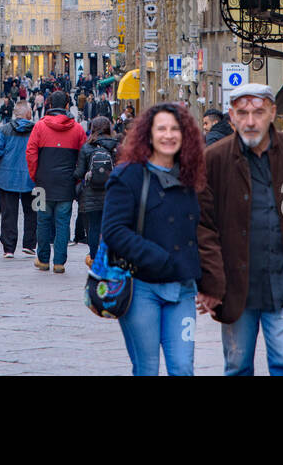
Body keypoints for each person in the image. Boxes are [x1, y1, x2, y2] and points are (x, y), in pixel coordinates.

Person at [196, 84, 283, 376]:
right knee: (237, 367)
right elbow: (204, 226)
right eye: (242, 113)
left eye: (258, 112)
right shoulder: (215, 159)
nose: (250, 121)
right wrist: (210, 281)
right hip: (235, 286)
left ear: (272, 112)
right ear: (231, 116)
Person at [103, 103, 213, 376]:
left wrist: (209, 282)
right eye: (161, 128)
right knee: (147, 369)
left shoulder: (192, 177)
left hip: (183, 289)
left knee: (183, 368)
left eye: (175, 129)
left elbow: (204, 231)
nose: (168, 135)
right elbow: (114, 230)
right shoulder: (128, 175)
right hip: (141, 288)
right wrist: (157, 257)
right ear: (148, 134)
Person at [26, 90, 87, 273]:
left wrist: (35, 176)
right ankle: (59, 262)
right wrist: (76, 177)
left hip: (42, 182)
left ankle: (43, 259)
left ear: (49, 105)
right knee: (63, 223)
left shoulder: (39, 127)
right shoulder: (76, 128)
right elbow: (83, 156)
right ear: (68, 106)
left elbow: (30, 153)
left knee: (42, 221)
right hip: (66, 183)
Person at [0, 101, 37, 259]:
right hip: (31, 177)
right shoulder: (36, 130)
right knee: (32, 213)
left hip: (7, 177)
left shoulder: (3, 130)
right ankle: (30, 245)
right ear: (28, 113)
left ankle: (9, 248)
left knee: (8, 213)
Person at [74, 115, 118, 262]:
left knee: (93, 227)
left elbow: (79, 173)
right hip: (111, 194)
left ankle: (93, 257)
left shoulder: (86, 148)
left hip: (90, 194)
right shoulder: (116, 146)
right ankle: (108, 257)